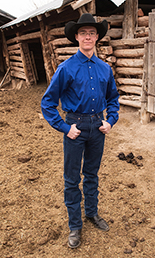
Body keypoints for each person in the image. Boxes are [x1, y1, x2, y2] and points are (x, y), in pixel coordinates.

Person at [41, 13, 119, 248]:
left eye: (92, 33)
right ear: (76, 37)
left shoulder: (105, 69)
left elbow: (113, 98)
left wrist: (110, 121)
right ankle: (75, 225)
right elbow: (48, 102)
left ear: (97, 37)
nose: (88, 36)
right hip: (75, 127)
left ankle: (91, 213)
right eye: (83, 32)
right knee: (72, 179)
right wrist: (65, 127)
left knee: (92, 174)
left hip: (98, 127)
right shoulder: (66, 68)